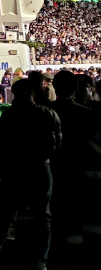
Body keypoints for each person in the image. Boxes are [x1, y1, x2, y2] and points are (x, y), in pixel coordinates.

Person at [0, 79, 61, 270]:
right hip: (40, 167)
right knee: (42, 216)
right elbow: (56, 143)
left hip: (15, 169)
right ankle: (40, 260)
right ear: (33, 94)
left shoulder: (10, 116)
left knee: (7, 212)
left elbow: (0, 145)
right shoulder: (47, 113)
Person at [48, 70, 93, 244]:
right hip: (78, 165)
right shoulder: (86, 113)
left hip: (54, 165)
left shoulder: (47, 111)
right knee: (75, 206)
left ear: (55, 87)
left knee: (55, 207)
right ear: (75, 89)